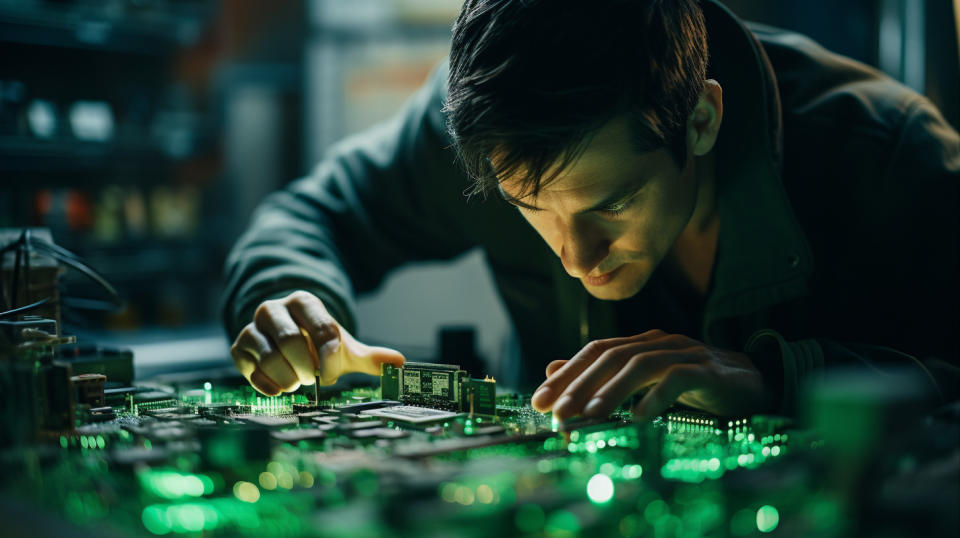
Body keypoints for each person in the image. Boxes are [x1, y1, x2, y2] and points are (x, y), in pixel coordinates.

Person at [222, 0, 959, 421]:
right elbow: (308, 216)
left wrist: (779, 378)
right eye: (530, 207)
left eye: (614, 202)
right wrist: (293, 306)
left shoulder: (891, 157)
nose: (576, 257)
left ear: (700, 120)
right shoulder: (488, 125)